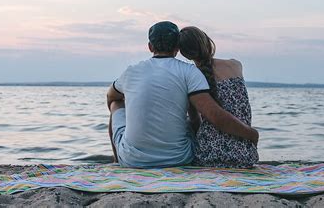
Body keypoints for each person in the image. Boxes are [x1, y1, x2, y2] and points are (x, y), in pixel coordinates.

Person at [107, 21, 259, 168]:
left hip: (133, 160)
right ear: (177, 48)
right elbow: (212, 114)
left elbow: (111, 96)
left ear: (150, 46)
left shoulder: (131, 71)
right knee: (184, 119)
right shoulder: (189, 71)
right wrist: (251, 134)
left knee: (116, 103)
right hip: (179, 158)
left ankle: (116, 160)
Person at [179, 26, 259, 168]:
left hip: (210, 155)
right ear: (207, 41)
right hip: (245, 154)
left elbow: (196, 121)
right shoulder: (235, 65)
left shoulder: (191, 77)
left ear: (185, 54)